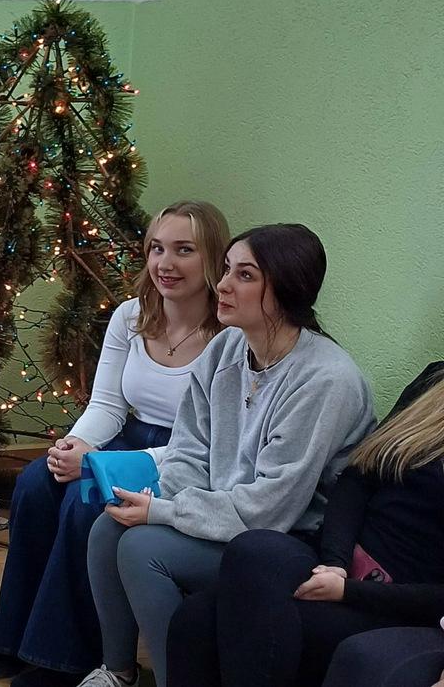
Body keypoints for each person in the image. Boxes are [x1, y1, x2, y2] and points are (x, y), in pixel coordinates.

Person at [75, 224, 376, 687]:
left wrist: (164, 513)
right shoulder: (228, 347)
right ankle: (117, 672)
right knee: (108, 528)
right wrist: (163, 500)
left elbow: (271, 509)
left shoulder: (325, 380)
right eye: (227, 269)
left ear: (287, 289)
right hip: (226, 515)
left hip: (288, 540)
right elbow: (189, 447)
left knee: (141, 548)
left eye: (245, 275)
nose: (223, 284)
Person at [0, 201, 230, 687]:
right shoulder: (130, 316)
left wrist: (98, 466)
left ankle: (69, 658)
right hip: (126, 437)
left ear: (213, 258)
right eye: (157, 248)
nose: (165, 264)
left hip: (182, 455)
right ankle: (14, 638)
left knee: (86, 503)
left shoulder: (228, 337)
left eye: (184, 250)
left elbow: (207, 443)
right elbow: (108, 404)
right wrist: (76, 445)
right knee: (34, 483)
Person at [167, 362, 444, 687]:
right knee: (248, 555)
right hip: (333, 559)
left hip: (390, 603)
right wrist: (335, 563)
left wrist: (349, 591)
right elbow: (357, 477)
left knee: (205, 618)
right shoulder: (434, 381)